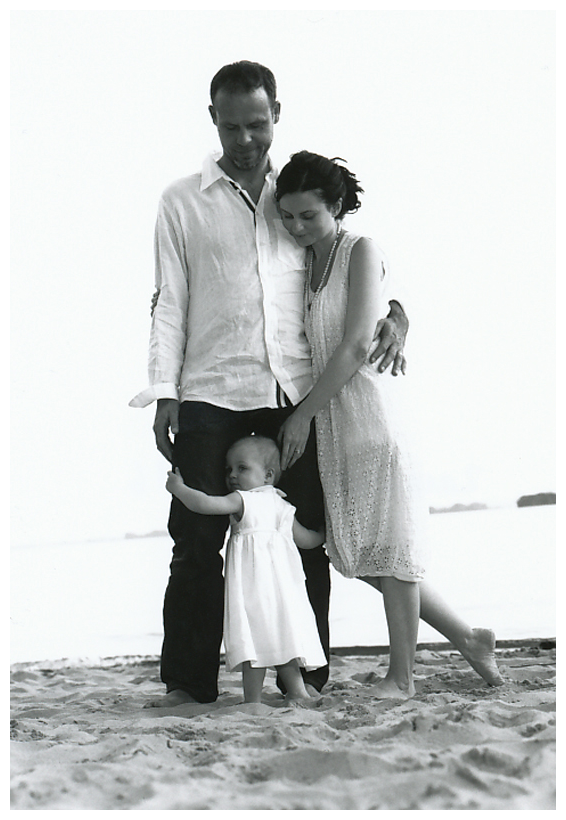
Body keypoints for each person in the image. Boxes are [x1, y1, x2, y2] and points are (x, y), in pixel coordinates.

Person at [130, 61, 410, 706]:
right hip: (211, 391)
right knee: (196, 541)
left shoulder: (299, 194)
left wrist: (399, 313)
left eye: (257, 124)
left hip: (294, 395)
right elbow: (169, 300)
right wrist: (164, 391)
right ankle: (188, 683)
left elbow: (355, 266)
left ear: (276, 114)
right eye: (231, 127)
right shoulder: (181, 201)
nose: (246, 139)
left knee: (303, 537)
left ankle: (306, 677)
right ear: (213, 120)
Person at [275, 151, 503, 698]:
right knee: (359, 551)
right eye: (287, 216)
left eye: (308, 215)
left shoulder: (361, 249)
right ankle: (469, 638)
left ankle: (402, 678)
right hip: (337, 426)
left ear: (336, 206)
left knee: (392, 550)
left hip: (372, 418)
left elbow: (357, 344)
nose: (296, 226)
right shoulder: (304, 263)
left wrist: (302, 415)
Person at [165, 435, 327, 705]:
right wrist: (323, 534)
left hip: (252, 588)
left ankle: (253, 700)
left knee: (253, 639)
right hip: (281, 591)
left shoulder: (243, 500)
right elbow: (306, 540)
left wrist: (179, 489)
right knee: (283, 637)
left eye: (242, 468)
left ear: (268, 475)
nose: (232, 475)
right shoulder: (283, 506)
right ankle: (297, 692)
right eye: (228, 469)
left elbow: (205, 504)